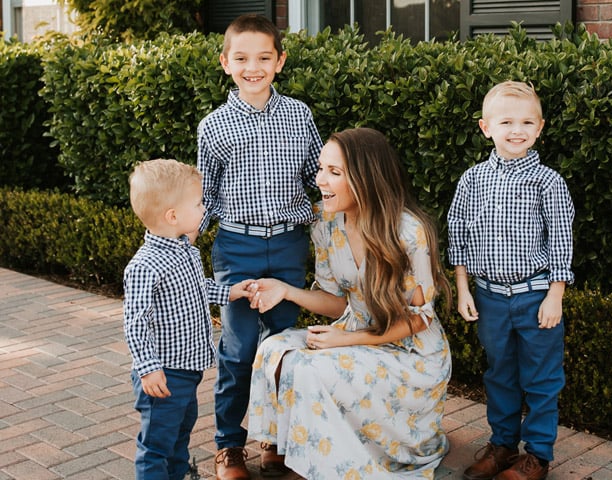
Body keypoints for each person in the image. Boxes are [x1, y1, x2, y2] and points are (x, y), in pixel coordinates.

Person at [240, 127, 453, 479]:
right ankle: (283, 445)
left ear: (367, 178)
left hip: (410, 353)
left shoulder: (407, 232)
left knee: (308, 368)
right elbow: (337, 303)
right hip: (355, 332)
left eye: (334, 172)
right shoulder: (327, 222)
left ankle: (322, 465)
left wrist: (348, 339)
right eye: (321, 168)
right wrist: (285, 291)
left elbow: (419, 319)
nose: (320, 180)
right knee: (274, 348)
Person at [195, 13, 323, 480]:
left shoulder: (299, 115)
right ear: (225, 62)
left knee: (282, 346)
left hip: (288, 246)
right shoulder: (214, 126)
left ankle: (275, 438)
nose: (253, 68)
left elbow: (317, 175)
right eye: (242, 58)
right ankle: (229, 445)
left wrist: (348, 208)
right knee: (238, 348)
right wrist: (183, 242)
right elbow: (206, 194)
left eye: (264, 58)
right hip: (237, 248)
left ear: (280, 61)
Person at [447, 81, 575, 480]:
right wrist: (463, 288)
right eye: (506, 122)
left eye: (526, 122)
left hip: (534, 295)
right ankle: (502, 446)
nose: (516, 130)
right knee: (499, 373)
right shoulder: (472, 180)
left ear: (540, 128)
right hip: (489, 297)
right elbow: (457, 234)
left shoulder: (548, 182)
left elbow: (561, 240)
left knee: (541, 378)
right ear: (486, 128)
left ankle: (537, 456)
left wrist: (555, 294)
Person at [123, 159, 249, 480]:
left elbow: (197, 287)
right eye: (198, 203)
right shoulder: (145, 266)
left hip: (188, 370)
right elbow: (136, 322)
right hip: (164, 374)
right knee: (156, 445)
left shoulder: (186, 251)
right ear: (173, 216)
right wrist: (148, 368)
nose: (203, 207)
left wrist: (231, 292)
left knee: (180, 436)